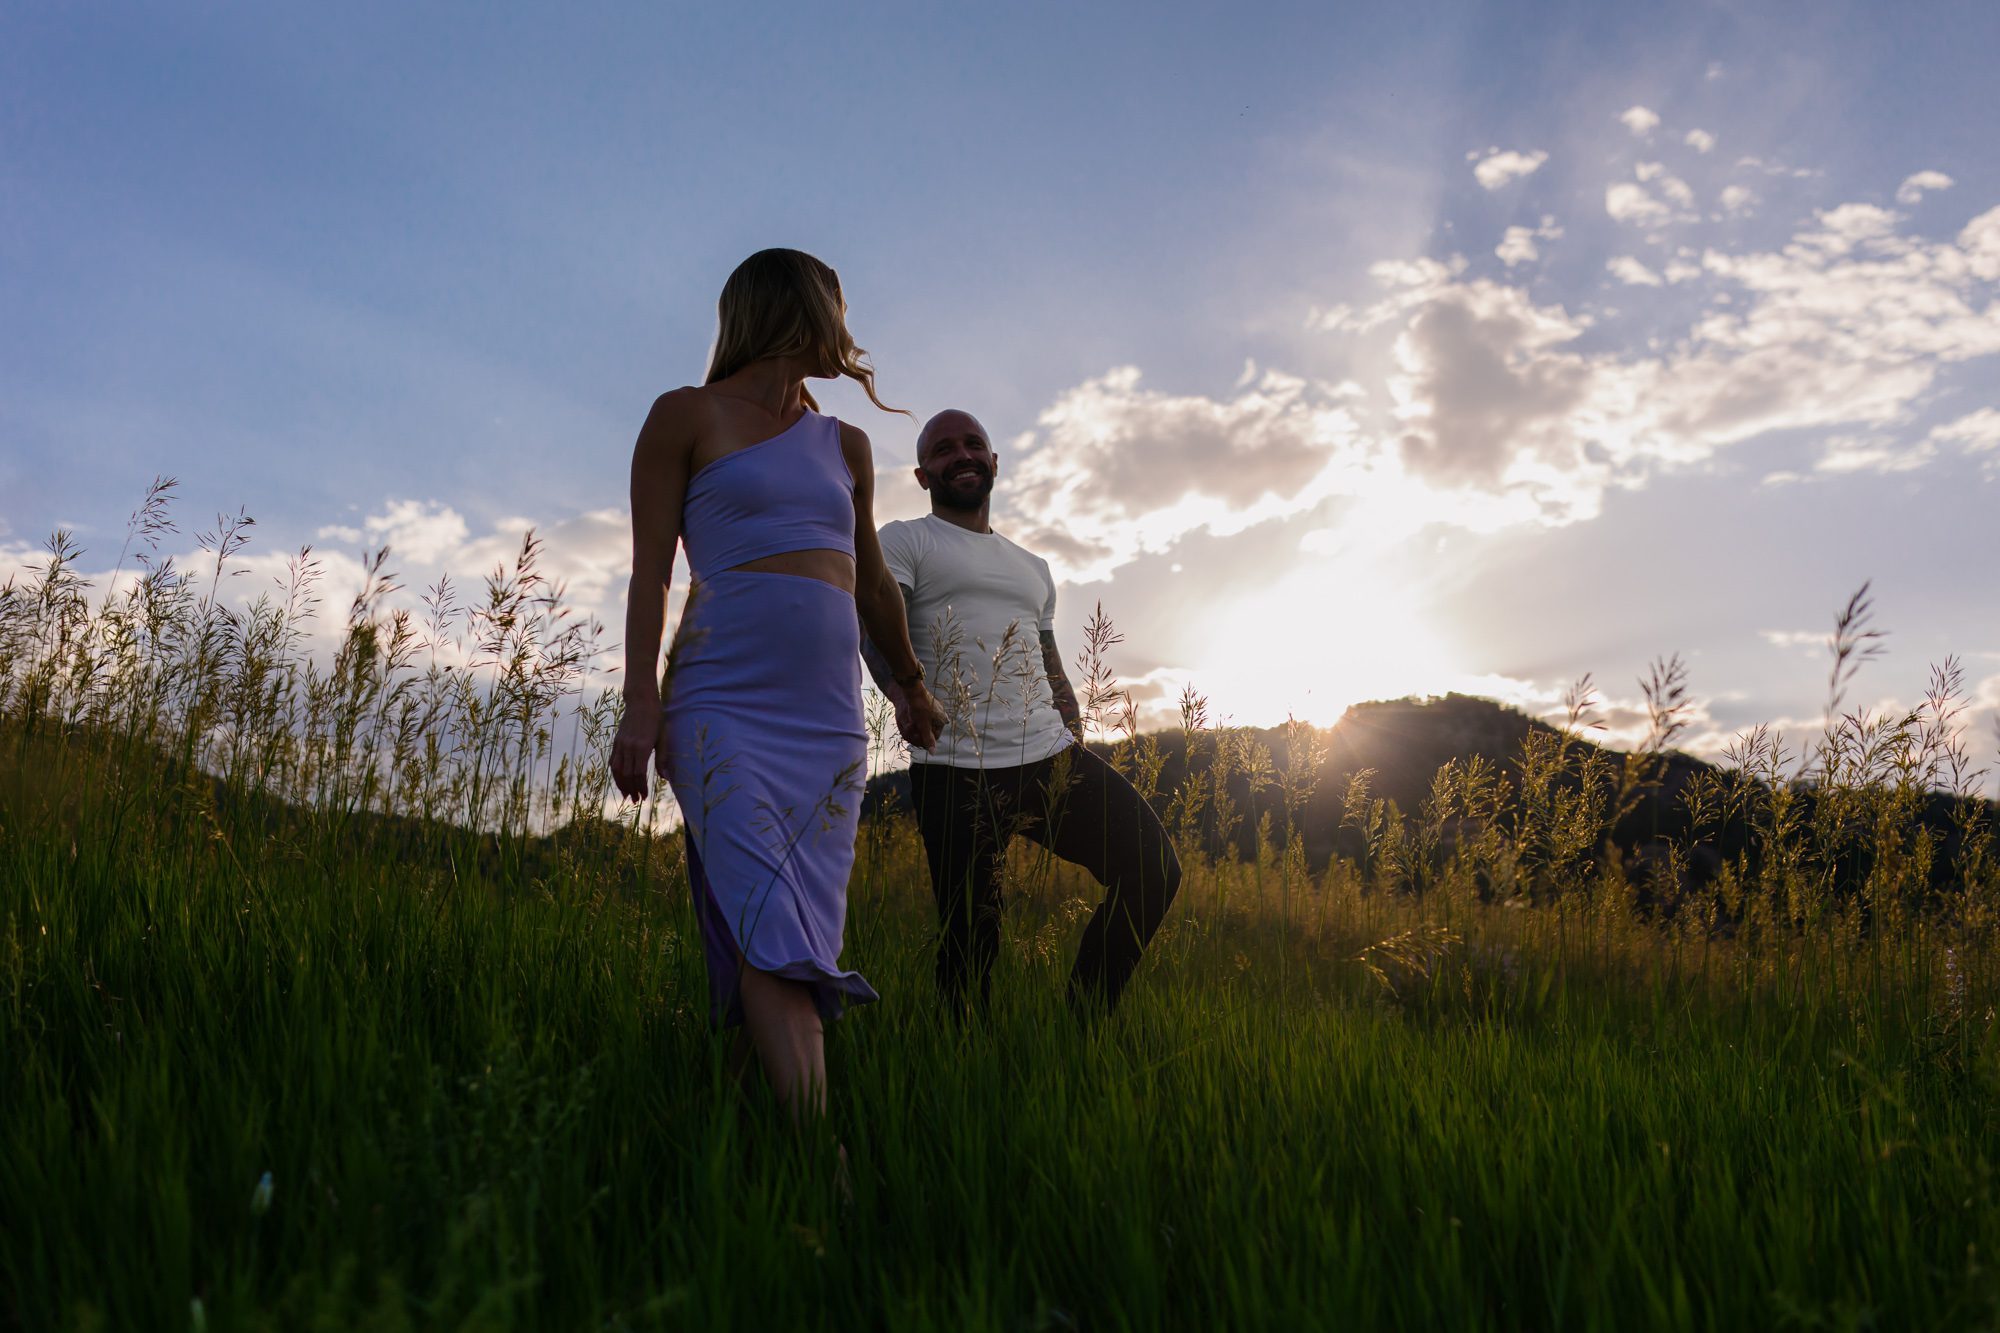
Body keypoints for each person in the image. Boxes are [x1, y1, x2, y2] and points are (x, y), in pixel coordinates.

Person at [610, 249, 945, 1122]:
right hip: (720, 706)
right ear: (795, 309)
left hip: (828, 727)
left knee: (790, 939)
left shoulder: (847, 443)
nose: (849, 328)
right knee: (771, 924)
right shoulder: (684, 416)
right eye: (837, 305)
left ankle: (737, 1133)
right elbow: (650, 574)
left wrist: (910, 687)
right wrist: (639, 705)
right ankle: (819, 1163)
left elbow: (872, 583)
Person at [862, 409, 1181, 1017]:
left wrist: (1070, 722)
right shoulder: (905, 540)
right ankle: (963, 1069)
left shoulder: (1032, 566)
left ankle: (1082, 1022)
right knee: (972, 941)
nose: (962, 455)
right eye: (944, 449)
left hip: (1048, 759)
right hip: (954, 766)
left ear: (994, 463)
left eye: (973, 444)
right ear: (923, 475)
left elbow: (1045, 653)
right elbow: (877, 625)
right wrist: (905, 695)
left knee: (1153, 870)